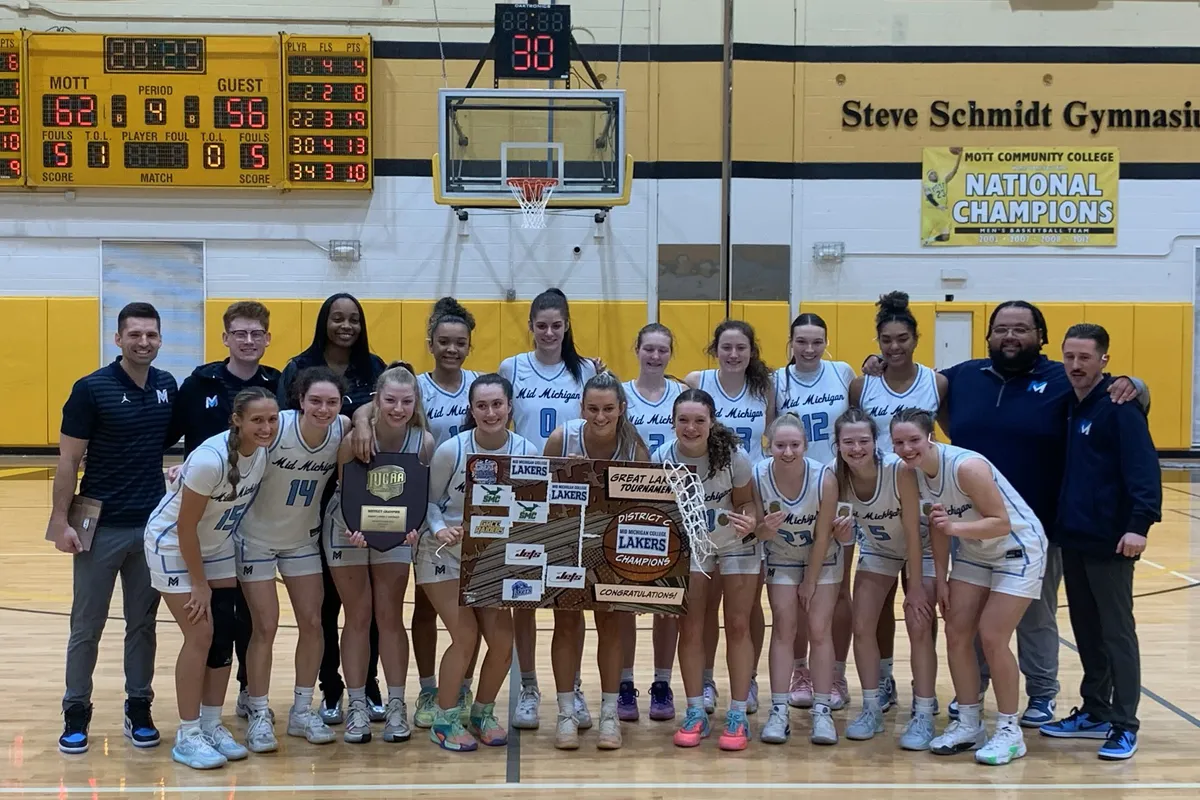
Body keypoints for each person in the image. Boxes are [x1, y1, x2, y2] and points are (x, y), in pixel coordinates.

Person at [864, 300, 1145, 727]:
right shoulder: (963, 376)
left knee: (1033, 615)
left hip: (1035, 523)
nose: (1010, 337)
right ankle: (972, 692)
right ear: (989, 335)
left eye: (1021, 329)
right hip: (966, 520)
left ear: (1040, 337)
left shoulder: (1060, 378)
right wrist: (878, 361)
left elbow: (1108, 390)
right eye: (1001, 329)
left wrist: (1136, 384)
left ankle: (1041, 695)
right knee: (968, 616)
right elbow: (913, 379)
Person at [51, 302, 178, 755]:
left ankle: (138, 706)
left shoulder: (167, 386)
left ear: (160, 340)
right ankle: (76, 711)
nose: (143, 342)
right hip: (99, 527)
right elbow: (68, 461)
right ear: (118, 339)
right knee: (87, 625)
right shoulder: (91, 389)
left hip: (149, 528)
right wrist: (59, 522)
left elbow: (161, 444)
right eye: (134, 334)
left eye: (151, 335)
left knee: (143, 624)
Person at [890, 407, 1048, 766]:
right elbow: (937, 524)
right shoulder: (911, 473)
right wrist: (942, 576)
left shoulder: (966, 467)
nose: (906, 448)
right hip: (976, 552)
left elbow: (1001, 522)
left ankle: (1009, 732)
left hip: (1017, 549)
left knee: (992, 636)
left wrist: (954, 529)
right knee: (956, 631)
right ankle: (970, 722)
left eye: (913, 440)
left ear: (930, 437)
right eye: (899, 442)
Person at [1039, 324, 1160, 761]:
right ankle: (1095, 711)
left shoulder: (1119, 405)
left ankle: (1125, 723)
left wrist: (1139, 525)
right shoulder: (1070, 401)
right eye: (1069, 356)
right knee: (1087, 630)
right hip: (1073, 536)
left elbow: (1144, 470)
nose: (1075, 365)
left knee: (1116, 633)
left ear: (1104, 360)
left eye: (1084, 357)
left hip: (1112, 540)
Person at [143, 387, 278, 769]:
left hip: (216, 542)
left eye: (271, 419)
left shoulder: (262, 451)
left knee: (226, 633)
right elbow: (185, 529)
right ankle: (187, 735)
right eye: (257, 420)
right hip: (173, 545)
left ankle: (210, 723)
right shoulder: (209, 460)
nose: (266, 427)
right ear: (236, 420)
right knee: (200, 634)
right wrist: (199, 585)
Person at [279, 292, 388, 724]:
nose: (346, 326)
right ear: (324, 320)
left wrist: (362, 418)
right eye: (337, 318)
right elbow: (282, 426)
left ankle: (370, 682)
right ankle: (330, 687)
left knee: (371, 605)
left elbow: (386, 414)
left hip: (368, 496)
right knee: (324, 606)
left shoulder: (375, 368)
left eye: (354, 319)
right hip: (312, 499)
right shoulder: (297, 367)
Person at [168, 300, 280, 721]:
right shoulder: (198, 385)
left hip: (250, 519)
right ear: (225, 338)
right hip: (202, 521)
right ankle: (197, 720)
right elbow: (163, 434)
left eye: (256, 334)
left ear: (267, 339)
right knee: (212, 626)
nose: (248, 341)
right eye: (240, 333)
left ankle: (250, 696)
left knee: (249, 621)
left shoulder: (279, 384)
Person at [418, 373, 535, 750]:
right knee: (465, 636)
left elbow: (538, 510)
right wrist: (439, 529)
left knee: (502, 642)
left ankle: (481, 712)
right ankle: (445, 717)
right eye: (481, 406)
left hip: (493, 559)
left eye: (497, 404)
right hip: (442, 554)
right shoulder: (452, 450)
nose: (490, 412)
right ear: (471, 410)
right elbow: (428, 503)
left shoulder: (526, 452)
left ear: (509, 406)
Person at [499, 289, 598, 731]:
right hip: (524, 489)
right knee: (522, 596)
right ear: (531, 326)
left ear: (567, 326)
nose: (549, 333)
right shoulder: (511, 368)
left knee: (568, 596)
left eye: (557, 325)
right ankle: (528, 686)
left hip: (573, 493)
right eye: (542, 325)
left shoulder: (587, 370)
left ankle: (572, 685)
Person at [236, 367, 348, 753]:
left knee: (314, 622)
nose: (323, 408)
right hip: (256, 538)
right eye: (315, 400)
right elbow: (232, 444)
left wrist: (363, 422)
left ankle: (302, 710)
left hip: (302, 539)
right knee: (264, 627)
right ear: (300, 400)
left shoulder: (342, 428)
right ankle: (260, 711)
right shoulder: (277, 427)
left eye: (331, 402)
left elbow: (365, 417)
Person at [325, 364, 432, 744]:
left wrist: (417, 525)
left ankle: (398, 704)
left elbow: (422, 498)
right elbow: (347, 492)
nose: (398, 408)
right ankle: (356, 704)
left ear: (415, 402)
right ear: (377, 400)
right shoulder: (353, 438)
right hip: (346, 531)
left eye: (406, 400)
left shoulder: (423, 442)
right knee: (357, 616)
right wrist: (356, 526)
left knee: (389, 616)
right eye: (390, 400)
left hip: (397, 535)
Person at [852, 292, 947, 714]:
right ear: (878, 341)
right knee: (881, 603)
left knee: (921, 599)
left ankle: (922, 688)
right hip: (877, 505)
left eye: (902, 338)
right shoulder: (862, 383)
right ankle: (885, 679)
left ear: (915, 339)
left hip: (925, 502)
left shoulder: (937, 382)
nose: (894, 347)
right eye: (886, 339)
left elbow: (949, 439)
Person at [546, 372, 650, 750]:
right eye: (593, 408)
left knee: (611, 625)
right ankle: (565, 712)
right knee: (567, 625)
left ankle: (609, 713)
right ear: (582, 408)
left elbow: (645, 508)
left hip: (614, 547)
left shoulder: (635, 446)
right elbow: (541, 500)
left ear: (622, 408)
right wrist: (566, 475)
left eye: (608, 409)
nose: (601, 416)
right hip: (567, 543)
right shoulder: (562, 438)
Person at [652, 389, 758, 751]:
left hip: (734, 544)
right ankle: (696, 710)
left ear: (712, 422)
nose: (691, 427)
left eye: (699, 420)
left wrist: (750, 520)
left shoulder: (734, 457)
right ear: (673, 421)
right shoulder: (662, 457)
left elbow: (747, 503)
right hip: (692, 547)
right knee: (691, 626)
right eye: (684, 420)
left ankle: (738, 713)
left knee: (739, 625)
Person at [833, 408, 941, 750]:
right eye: (848, 442)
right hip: (879, 550)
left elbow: (911, 528)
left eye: (863, 440)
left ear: (875, 441)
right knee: (862, 626)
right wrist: (842, 535)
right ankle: (871, 707)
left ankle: (923, 711)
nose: (856, 448)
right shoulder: (837, 478)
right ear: (837, 445)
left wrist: (917, 586)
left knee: (918, 623)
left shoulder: (897, 471)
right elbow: (842, 534)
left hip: (919, 548)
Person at [685, 320, 772, 716]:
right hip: (697, 505)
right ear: (714, 349)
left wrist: (752, 514)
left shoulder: (766, 388)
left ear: (751, 351)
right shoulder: (697, 381)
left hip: (744, 498)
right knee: (701, 606)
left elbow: (776, 435)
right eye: (726, 347)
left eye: (741, 347)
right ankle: (702, 682)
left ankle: (746, 682)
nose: (733, 354)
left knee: (746, 609)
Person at [772, 312, 854, 710]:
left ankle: (835, 673)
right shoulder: (776, 380)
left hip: (836, 488)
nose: (808, 349)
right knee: (795, 593)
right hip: (790, 492)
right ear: (790, 342)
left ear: (826, 342)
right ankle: (801, 669)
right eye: (801, 341)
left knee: (836, 591)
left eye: (816, 341)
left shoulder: (842, 372)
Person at [410, 298, 482, 729]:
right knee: (423, 604)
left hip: (473, 506)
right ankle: (427, 684)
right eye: (443, 342)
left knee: (467, 604)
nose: (451, 349)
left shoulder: (478, 385)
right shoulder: (417, 388)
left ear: (469, 346)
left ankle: (462, 682)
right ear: (431, 343)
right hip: (427, 502)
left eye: (459, 343)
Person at [754, 414, 844, 746]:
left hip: (822, 557)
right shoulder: (758, 475)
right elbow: (758, 531)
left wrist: (811, 580)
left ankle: (822, 711)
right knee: (783, 628)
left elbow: (823, 535)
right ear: (770, 446)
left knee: (819, 629)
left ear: (805, 446)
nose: (788, 452)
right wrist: (766, 527)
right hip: (781, 555)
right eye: (780, 445)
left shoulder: (825, 478)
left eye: (794, 445)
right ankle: (778, 710)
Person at [622, 323, 685, 721]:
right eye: (649, 348)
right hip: (626, 505)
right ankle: (625, 683)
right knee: (625, 602)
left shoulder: (682, 395)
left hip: (674, 507)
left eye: (663, 350)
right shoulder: (621, 395)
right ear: (637, 349)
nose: (655, 356)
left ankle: (662, 682)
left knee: (667, 603)